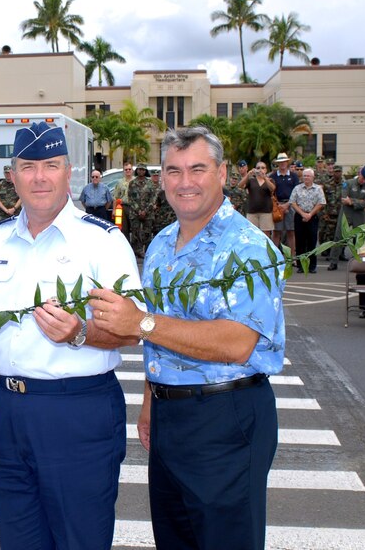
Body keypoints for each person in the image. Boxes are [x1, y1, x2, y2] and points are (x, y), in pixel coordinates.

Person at [90, 126, 285, 550]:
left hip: (226, 414)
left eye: (198, 169)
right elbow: (161, 331)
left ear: (223, 173)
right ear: (161, 178)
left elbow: (237, 343)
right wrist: (149, 402)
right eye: (173, 171)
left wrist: (139, 323)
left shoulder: (249, 247)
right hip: (169, 416)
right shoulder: (161, 243)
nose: (185, 182)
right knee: (176, 539)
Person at [0, 121, 140, 549]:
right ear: (12, 176)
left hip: (77, 411)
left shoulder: (103, 241)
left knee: (80, 539)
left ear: (69, 173)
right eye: (28, 166)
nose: (39, 176)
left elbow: (132, 330)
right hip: (10, 412)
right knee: (19, 539)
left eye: (51, 165)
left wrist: (81, 332)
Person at [328, 165, 365, 270]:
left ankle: (358, 261)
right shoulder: (348, 183)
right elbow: (344, 198)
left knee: (359, 238)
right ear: (359, 174)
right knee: (339, 236)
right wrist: (358, 201)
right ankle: (333, 261)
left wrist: (352, 201)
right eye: (362, 178)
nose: (363, 181)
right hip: (346, 212)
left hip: (359, 214)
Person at [289, 168, 326, 273]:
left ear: (313, 177)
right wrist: (302, 214)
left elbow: (321, 203)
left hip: (312, 216)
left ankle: (312, 266)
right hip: (299, 216)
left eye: (308, 176)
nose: (306, 178)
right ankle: (301, 266)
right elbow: (293, 202)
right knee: (300, 242)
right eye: (304, 176)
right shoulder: (297, 188)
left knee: (312, 242)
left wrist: (310, 214)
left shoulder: (318, 189)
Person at [269, 152, 299, 252]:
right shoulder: (273, 176)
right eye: (280, 162)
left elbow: (296, 192)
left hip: (291, 205)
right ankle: (275, 257)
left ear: (287, 162)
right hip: (277, 205)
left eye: (284, 162)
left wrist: (288, 205)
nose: (282, 164)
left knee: (291, 231)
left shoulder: (294, 176)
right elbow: (271, 192)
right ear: (278, 163)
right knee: (277, 232)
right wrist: (279, 205)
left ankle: (292, 257)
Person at [238, 160, 276, 238]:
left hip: (266, 212)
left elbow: (272, 188)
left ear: (266, 170)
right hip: (252, 212)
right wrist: (248, 175)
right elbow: (240, 185)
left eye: (262, 168)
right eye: (258, 168)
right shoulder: (251, 180)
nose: (260, 170)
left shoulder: (270, 180)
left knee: (266, 235)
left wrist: (265, 178)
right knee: (252, 234)